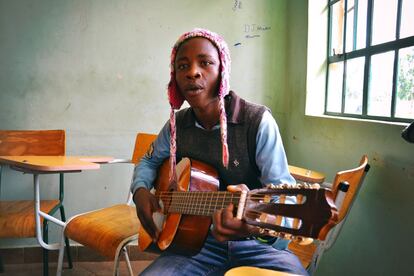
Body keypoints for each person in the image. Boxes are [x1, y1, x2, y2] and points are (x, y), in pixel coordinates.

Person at [131, 28, 308, 275]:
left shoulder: (257, 122)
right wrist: (140, 190)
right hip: (194, 247)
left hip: (256, 246)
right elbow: (148, 161)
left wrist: (252, 227)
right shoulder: (176, 124)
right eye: (182, 66)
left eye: (205, 63)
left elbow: (285, 203)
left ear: (222, 70)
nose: (193, 72)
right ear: (175, 79)